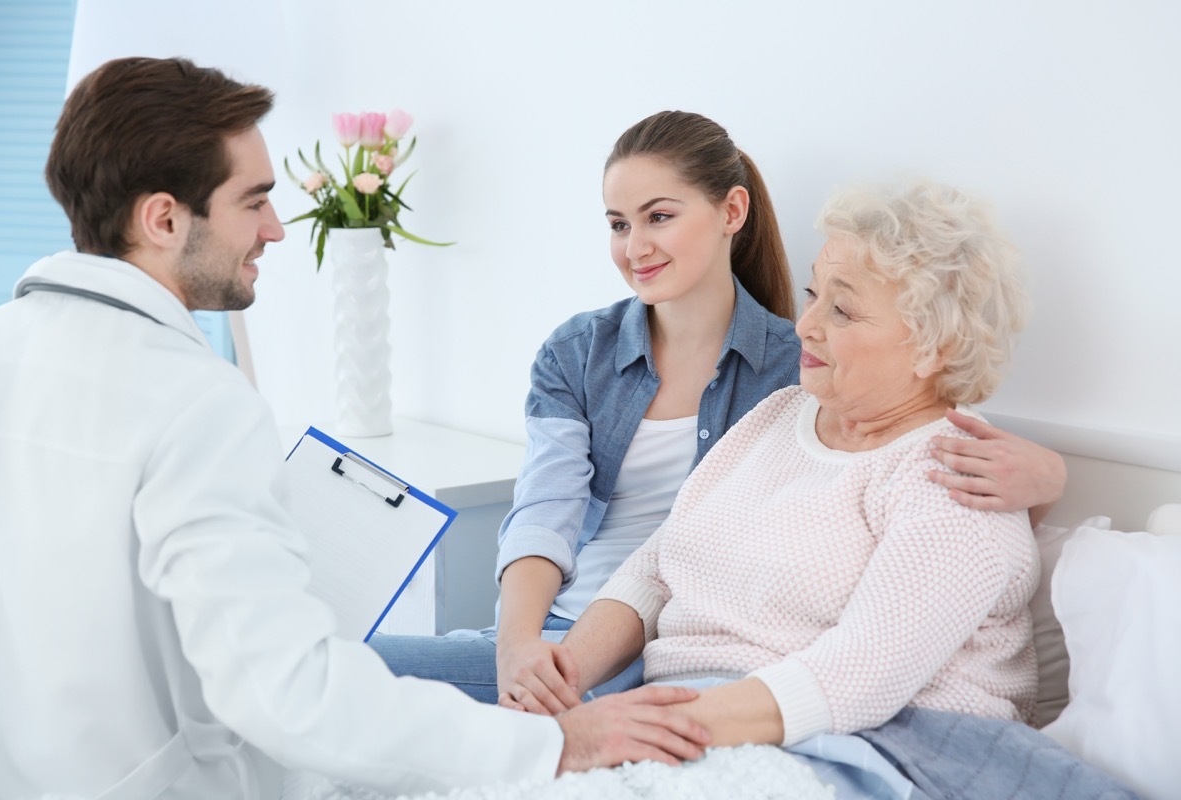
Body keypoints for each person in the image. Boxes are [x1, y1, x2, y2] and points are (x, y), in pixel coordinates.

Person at [0, 57, 711, 800]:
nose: (275, 229)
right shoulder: (196, 401)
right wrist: (550, 744)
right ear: (164, 218)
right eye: (253, 201)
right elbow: (288, 695)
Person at [370, 111, 1068, 715]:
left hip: (675, 669)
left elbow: (924, 460)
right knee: (349, 673)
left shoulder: (794, 379)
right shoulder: (593, 355)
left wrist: (1051, 474)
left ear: (732, 212)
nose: (634, 245)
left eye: (660, 216)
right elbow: (558, 521)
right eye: (618, 223)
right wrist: (528, 655)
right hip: (576, 633)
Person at [504, 180, 1134, 798]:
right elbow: (657, 568)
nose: (804, 325)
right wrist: (568, 673)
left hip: (858, 746)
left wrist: (626, 731)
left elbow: (855, 678)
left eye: (842, 309)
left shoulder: (956, 475)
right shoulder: (779, 415)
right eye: (812, 295)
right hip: (699, 722)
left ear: (933, 347)